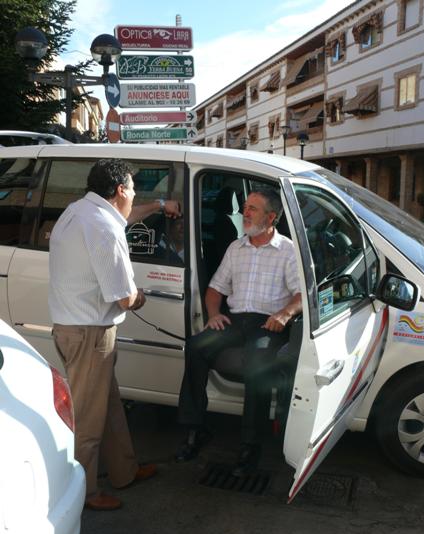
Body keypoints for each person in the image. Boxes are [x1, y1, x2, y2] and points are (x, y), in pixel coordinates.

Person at [48, 159, 174, 511]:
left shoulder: (81, 211)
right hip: (90, 333)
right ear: (120, 190)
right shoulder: (104, 228)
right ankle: (84, 494)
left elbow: (126, 218)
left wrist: (160, 207)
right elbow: (124, 296)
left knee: (110, 408)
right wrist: (143, 295)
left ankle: (124, 470)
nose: (135, 195)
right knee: (88, 420)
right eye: (133, 189)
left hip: (75, 328)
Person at [175, 189, 302, 476]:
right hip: (234, 320)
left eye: (253, 209)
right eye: (245, 207)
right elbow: (215, 289)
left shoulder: (288, 250)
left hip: (267, 323)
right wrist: (214, 314)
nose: (245, 213)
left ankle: (250, 445)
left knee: (257, 367)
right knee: (195, 346)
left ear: (271, 217)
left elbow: (300, 296)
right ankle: (195, 429)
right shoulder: (236, 248)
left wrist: (284, 315)